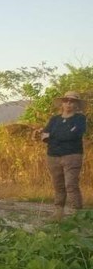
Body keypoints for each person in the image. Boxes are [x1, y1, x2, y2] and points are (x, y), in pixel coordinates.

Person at [40, 91, 87, 220]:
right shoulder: (54, 119)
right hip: (53, 156)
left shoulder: (80, 119)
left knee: (71, 184)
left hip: (72, 156)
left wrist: (52, 136)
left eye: (72, 101)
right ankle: (58, 213)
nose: (68, 103)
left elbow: (73, 135)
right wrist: (44, 135)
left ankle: (78, 214)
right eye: (66, 100)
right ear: (62, 103)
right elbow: (44, 134)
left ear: (77, 104)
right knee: (58, 185)